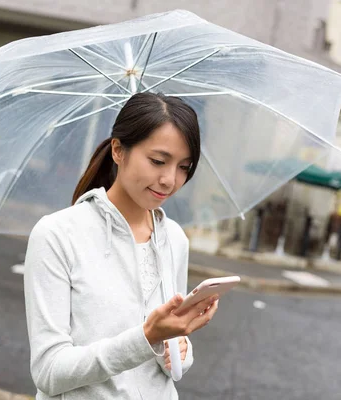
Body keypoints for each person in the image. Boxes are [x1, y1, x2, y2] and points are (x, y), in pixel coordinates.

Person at [23, 92, 219, 400]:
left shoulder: (174, 239)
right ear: (118, 150)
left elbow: (171, 366)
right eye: (158, 161)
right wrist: (147, 337)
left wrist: (177, 346)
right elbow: (49, 372)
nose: (170, 179)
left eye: (184, 166)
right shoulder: (58, 234)